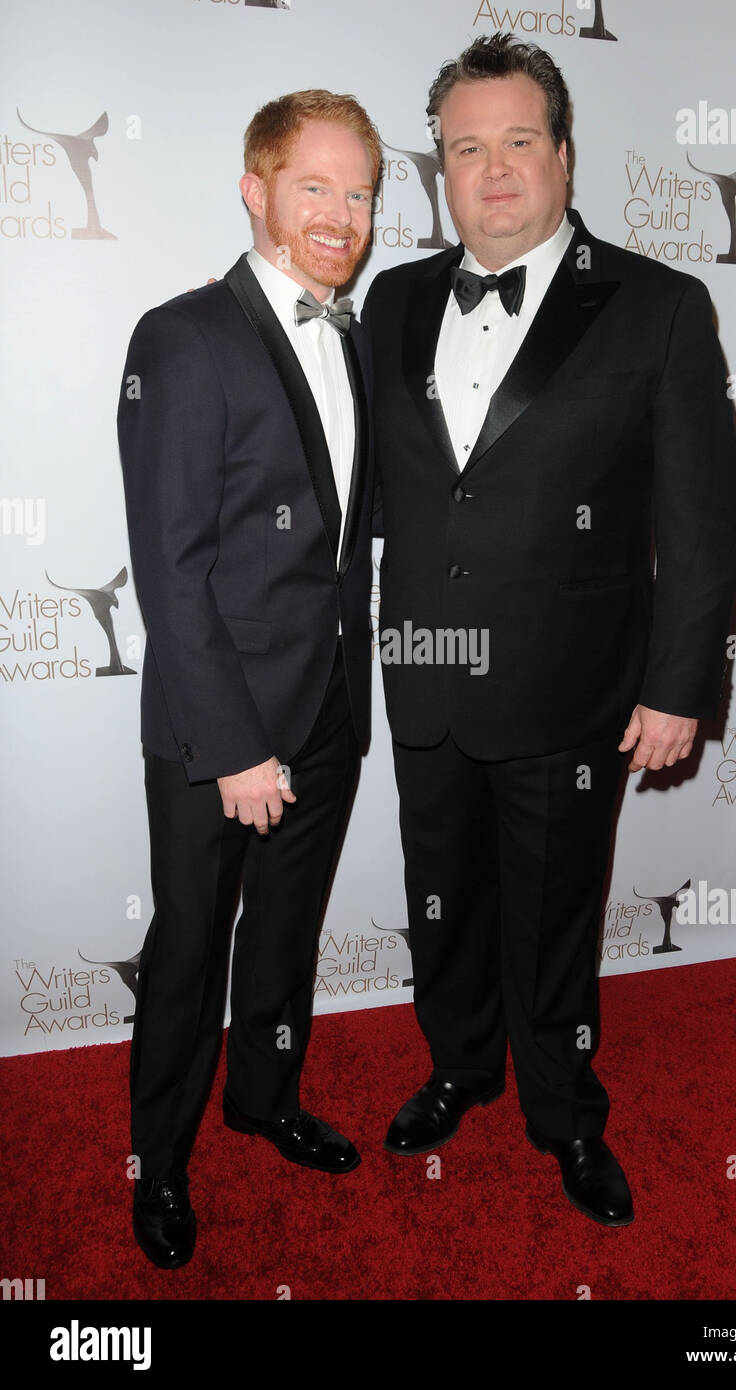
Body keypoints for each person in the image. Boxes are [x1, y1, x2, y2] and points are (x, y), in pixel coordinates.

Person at [363, 34, 736, 1226]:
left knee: (554, 916)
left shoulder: (659, 306)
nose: (494, 170)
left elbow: (703, 521)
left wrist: (678, 686)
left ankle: (564, 1111)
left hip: (574, 687)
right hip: (424, 671)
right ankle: (460, 1065)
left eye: (519, 141)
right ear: (442, 167)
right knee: (442, 899)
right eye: (466, 148)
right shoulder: (397, 296)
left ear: (564, 155)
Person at [117, 89, 381, 1267]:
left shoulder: (357, 336)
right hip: (212, 729)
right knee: (188, 946)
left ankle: (264, 1097)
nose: (340, 213)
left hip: (325, 708)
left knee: (285, 931)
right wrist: (232, 750)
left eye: (361, 191)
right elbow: (169, 570)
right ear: (256, 187)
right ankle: (160, 1165)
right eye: (314, 185)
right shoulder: (181, 338)